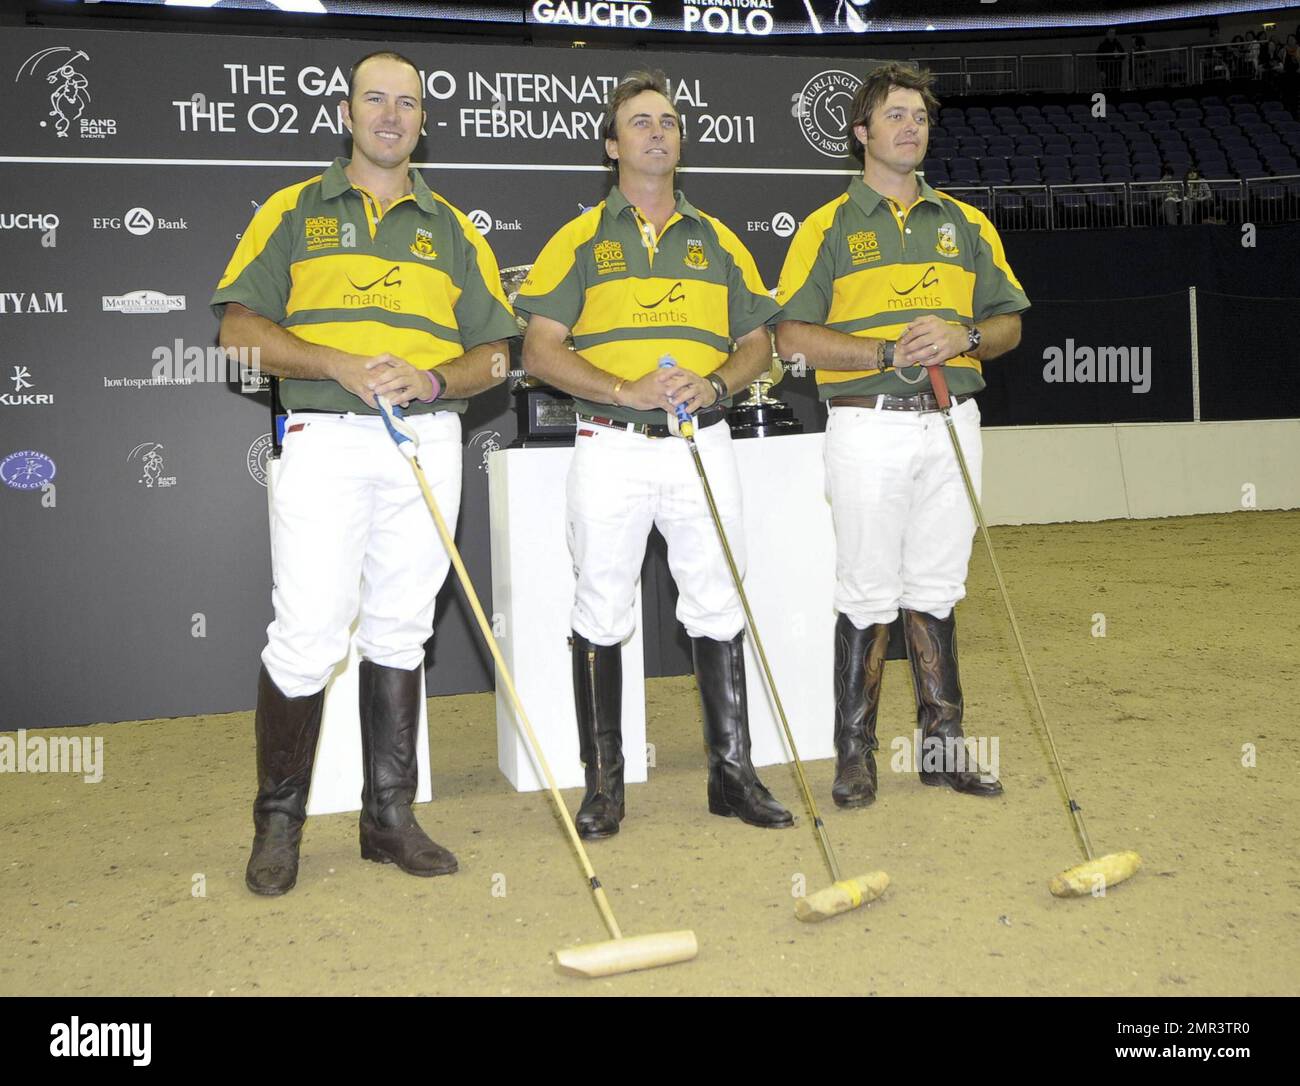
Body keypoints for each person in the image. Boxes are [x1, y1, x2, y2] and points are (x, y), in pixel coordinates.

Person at [212, 51, 517, 895]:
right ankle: (279, 825)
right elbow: (237, 332)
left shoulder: (452, 228)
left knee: (400, 629)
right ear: (345, 114)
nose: (391, 115)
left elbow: (497, 355)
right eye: (375, 100)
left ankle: (388, 819)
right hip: (325, 435)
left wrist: (433, 379)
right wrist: (337, 362)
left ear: (423, 120)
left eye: (407, 103)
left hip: (425, 439)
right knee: (308, 632)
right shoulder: (292, 209)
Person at [515, 70, 793, 839]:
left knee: (718, 601)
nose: (657, 132)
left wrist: (718, 382)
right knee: (601, 606)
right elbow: (540, 349)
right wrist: (622, 388)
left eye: (668, 121)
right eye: (639, 122)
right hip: (613, 444)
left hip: (702, 441)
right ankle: (604, 788)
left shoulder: (718, 238)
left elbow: (758, 342)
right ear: (612, 147)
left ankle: (731, 777)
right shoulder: (578, 239)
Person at [774, 63, 1030, 809]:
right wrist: (886, 352)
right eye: (894, 115)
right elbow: (791, 335)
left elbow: (1010, 326)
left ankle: (943, 749)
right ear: (861, 133)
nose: (910, 127)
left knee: (939, 586)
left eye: (919, 116)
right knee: (866, 591)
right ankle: (855, 757)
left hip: (954, 421)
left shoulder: (966, 223)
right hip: (867, 424)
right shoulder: (827, 226)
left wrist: (964, 334)